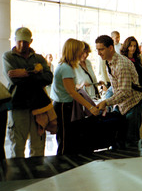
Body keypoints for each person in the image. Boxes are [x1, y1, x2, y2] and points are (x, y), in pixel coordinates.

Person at [2, 27, 53, 158]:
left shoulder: (39, 57)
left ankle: (37, 174)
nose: (22, 45)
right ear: (15, 40)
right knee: (18, 145)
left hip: (38, 106)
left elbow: (49, 78)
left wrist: (24, 73)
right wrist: (35, 71)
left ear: (30, 41)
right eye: (19, 41)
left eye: (25, 42)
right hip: (18, 106)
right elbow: (14, 80)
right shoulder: (8, 57)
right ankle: (18, 175)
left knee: (38, 145)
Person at [51, 38, 100, 155]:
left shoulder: (64, 66)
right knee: (64, 136)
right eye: (80, 51)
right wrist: (90, 107)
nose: (82, 54)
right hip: (63, 105)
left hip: (62, 104)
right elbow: (72, 92)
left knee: (65, 135)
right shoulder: (66, 68)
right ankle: (63, 162)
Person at [95, 35, 142, 146]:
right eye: (97, 50)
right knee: (118, 138)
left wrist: (106, 102)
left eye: (101, 49)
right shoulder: (109, 62)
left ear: (110, 48)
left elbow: (125, 92)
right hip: (121, 105)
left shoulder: (122, 64)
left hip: (132, 104)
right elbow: (116, 87)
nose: (98, 53)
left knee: (130, 141)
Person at [120, 36, 142, 138]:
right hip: (129, 93)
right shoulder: (123, 59)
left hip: (139, 91)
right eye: (130, 46)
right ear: (126, 46)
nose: (132, 48)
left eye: (134, 46)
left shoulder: (138, 58)